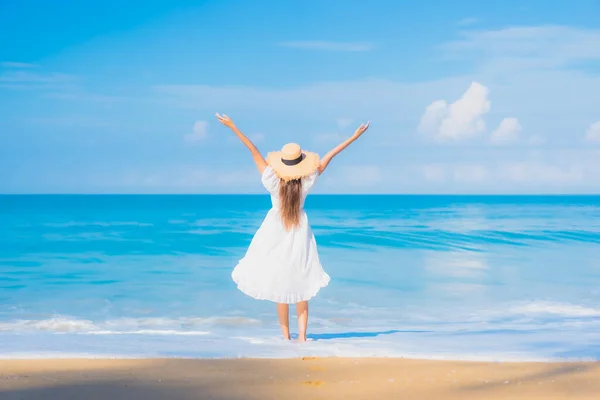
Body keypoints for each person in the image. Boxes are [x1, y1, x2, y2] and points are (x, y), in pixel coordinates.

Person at [215, 113, 370, 342]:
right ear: (300, 162)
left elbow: (253, 150)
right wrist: (353, 137)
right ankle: (303, 338)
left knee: (281, 284)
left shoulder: (271, 180)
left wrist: (233, 127)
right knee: (301, 283)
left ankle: (286, 338)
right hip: (299, 233)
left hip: (274, 233)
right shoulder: (306, 182)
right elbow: (330, 156)